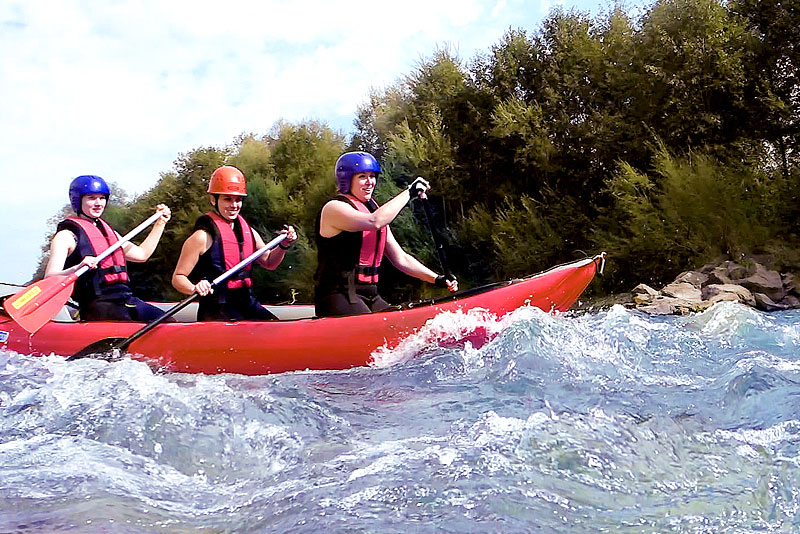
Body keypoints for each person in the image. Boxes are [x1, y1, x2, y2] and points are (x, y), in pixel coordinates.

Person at [314, 151, 458, 317]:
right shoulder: (334, 208)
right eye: (362, 176)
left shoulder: (373, 209)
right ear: (347, 179)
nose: (370, 182)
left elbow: (401, 259)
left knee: (398, 326)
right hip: (338, 295)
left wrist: (436, 278)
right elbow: (374, 222)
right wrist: (409, 192)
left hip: (371, 295)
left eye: (372, 176)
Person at [171, 165, 298, 321]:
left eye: (238, 200)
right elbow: (178, 278)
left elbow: (269, 262)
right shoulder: (201, 237)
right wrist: (194, 288)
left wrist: (283, 245)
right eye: (227, 199)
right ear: (213, 199)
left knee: (275, 329)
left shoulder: (248, 232)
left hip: (246, 302)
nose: (234, 205)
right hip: (217, 307)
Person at [45, 174, 172, 322]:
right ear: (78, 200)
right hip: (97, 305)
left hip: (125, 300)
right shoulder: (66, 236)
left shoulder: (110, 234)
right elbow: (50, 278)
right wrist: (78, 267)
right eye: (91, 198)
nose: (98, 203)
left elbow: (142, 254)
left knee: (168, 321)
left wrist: (160, 224)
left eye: (102, 198)